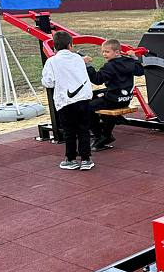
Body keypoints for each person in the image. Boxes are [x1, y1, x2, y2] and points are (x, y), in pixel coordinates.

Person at [41, 31, 95, 171]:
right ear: (71, 45)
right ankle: (86, 159)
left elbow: (48, 82)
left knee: (69, 131)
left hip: (65, 101)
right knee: (84, 129)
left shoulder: (52, 61)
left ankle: (70, 159)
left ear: (54, 47)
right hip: (83, 99)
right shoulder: (78, 58)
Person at [84, 38, 144, 151]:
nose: (104, 54)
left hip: (114, 100)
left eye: (107, 52)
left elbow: (97, 80)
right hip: (125, 99)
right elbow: (141, 71)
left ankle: (101, 136)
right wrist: (134, 57)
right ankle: (109, 124)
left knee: (87, 107)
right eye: (103, 51)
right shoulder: (129, 62)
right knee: (93, 94)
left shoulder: (110, 66)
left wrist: (87, 66)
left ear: (117, 52)